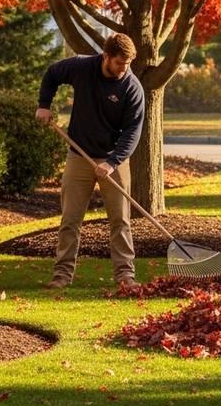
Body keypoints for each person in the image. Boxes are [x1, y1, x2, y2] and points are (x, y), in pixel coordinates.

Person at [36, 33, 146, 288]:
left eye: (127, 64)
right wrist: (44, 104)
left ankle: (125, 276)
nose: (123, 69)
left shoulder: (132, 87)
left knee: (120, 220)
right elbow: (52, 74)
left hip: (113, 160)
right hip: (79, 156)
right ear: (105, 56)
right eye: (119, 63)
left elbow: (133, 131)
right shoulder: (82, 67)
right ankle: (62, 276)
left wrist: (112, 161)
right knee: (70, 219)